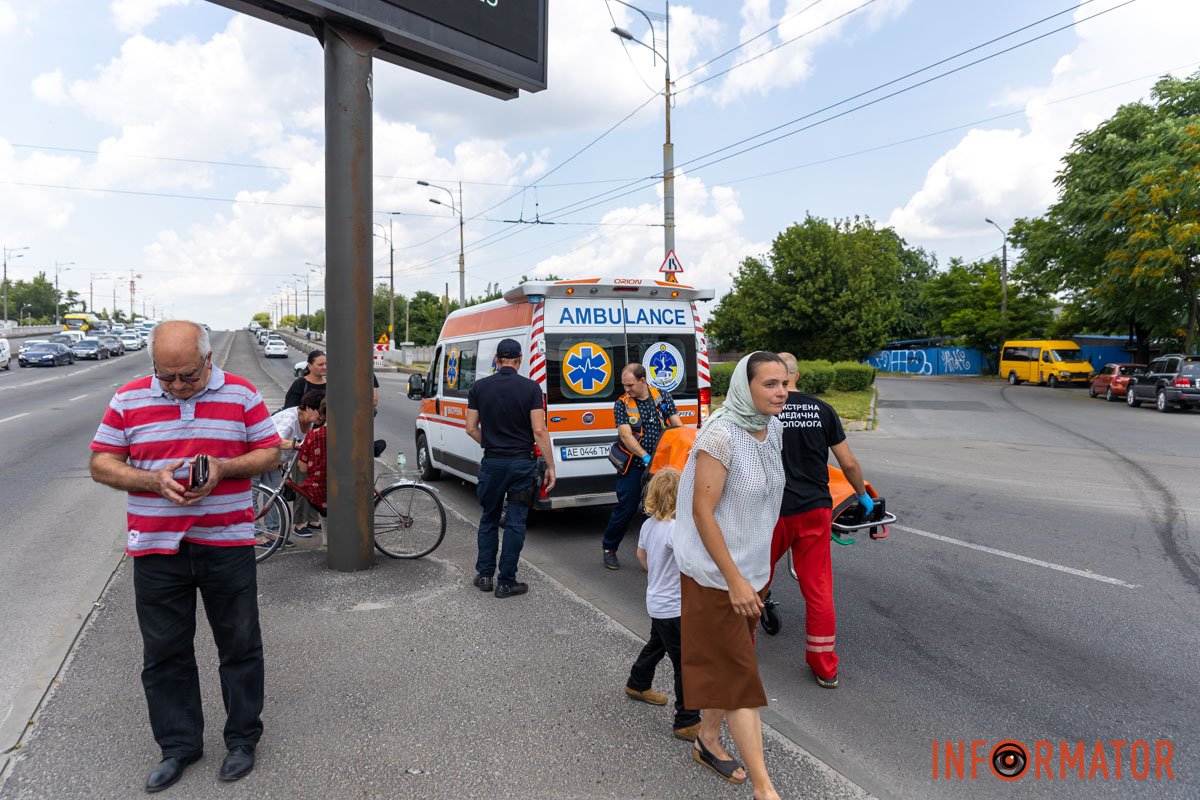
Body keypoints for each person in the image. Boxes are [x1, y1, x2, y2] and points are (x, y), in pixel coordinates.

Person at [88, 321, 281, 792]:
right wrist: (153, 480)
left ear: (208, 359)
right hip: (156, 549)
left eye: (187, 376)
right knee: (164, 654)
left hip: (227, 544)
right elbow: (100, 463)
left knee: (239, 646)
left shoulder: (241, 394)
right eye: (166, 376)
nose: (176, 386)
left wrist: (223, 468)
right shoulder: (129, 398)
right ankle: (178, 747)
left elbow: (270, 453)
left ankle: (241, 740)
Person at [673, 351, 788, 800]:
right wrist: (735, 579)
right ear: (747, 386)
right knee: (741, 677)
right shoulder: (719, 436)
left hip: (753, 573)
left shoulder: (772, 428)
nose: (780, 392)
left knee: (727, 668)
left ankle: (706, 738)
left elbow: (764, 499)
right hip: (717, 578)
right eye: (770, 384)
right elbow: (703, 511)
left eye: (783, 383)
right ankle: (765, 788)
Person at [771, 353, 874, 690]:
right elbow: (848, 463)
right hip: (815, 509)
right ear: (798, 374)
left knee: (753, 581)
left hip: (771, 510)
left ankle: (740, 652)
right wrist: (862, 496)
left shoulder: (763, 408)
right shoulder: (822, 409)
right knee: (818, 589)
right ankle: (824, 666)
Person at [464, 338, 556, 598]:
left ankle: (484, 576)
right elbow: (539, 430)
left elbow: (470, 428)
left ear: (497, 359)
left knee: (489, 518)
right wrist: (550, 465)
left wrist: (492, 443)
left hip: (492, 464)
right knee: (515, 523)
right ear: (519, 360)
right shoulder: (531, 389)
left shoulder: (479, 387)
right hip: (521, 465)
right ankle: (506, 582)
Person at [623, 467, 702, 742]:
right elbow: (688, 566)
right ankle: (687, 720)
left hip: (656, 600)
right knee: (687, 663)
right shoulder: (674, 530)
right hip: (675, 607)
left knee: (657, 643)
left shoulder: (648, 525)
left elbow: (641, 554)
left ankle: (638, 682)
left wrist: (655, 572)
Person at [601, 363, 681, 570]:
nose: (626, 390)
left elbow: (677, 426)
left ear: (643, 381)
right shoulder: (622, 404)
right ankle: (609, 547)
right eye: (624, 385)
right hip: (634, 465)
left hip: (660, 466)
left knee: (657, 511)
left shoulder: (662, 397)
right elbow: (626, 436)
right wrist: (645, 457)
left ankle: (654, 555)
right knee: (626, 508)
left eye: (630, 385)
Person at [264, 391, 324, 541]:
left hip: (275, 460)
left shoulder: (309, 421)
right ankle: (254, 535)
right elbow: (275, 439)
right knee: (254, 493)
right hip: (259, 454)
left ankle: (273, 535)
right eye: (320, 413)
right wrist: (300, 446)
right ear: (309, 408)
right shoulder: (290, 418)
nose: (321, 417)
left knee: (273, 494)